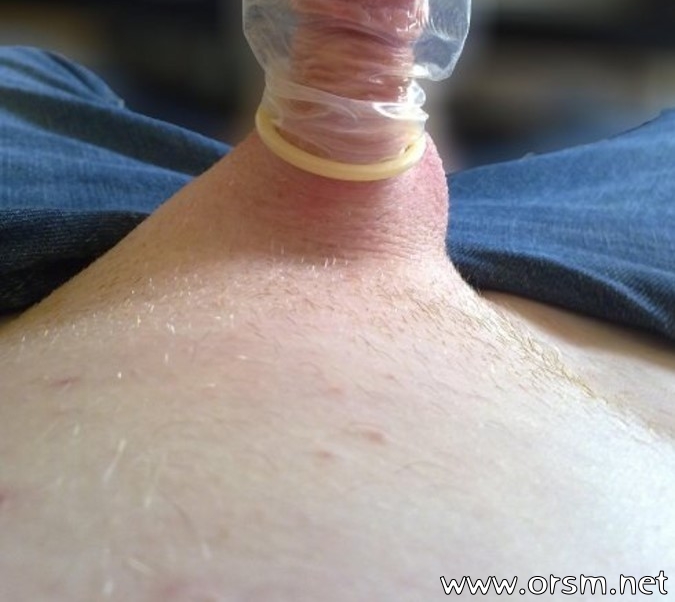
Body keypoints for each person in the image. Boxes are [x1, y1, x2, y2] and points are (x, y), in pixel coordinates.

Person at [0, 45, 673, 600]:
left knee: (23, 77)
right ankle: (381, 130)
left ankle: (283, 120)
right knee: (625, 138)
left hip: (51, 257)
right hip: (584, 296)